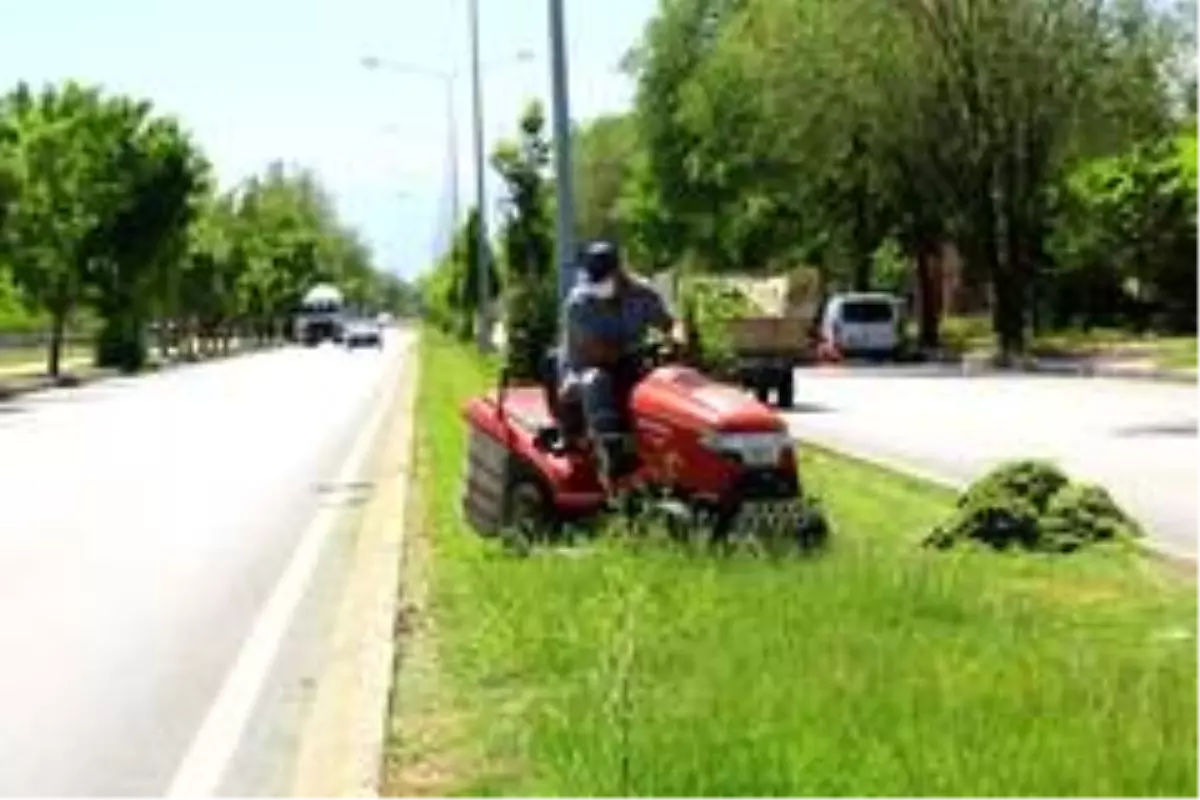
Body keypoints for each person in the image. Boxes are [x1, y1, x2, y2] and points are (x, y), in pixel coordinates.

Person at [557, 240, 677, 480]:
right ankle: (610, 452)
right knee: (597, 381)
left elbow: (670, 324)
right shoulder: (579, 304)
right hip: (584, 371)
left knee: (664, 382)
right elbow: (598, 352)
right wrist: (643, 349)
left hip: (630, 365)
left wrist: (676, 339)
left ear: (619, 271)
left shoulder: (643, 294)